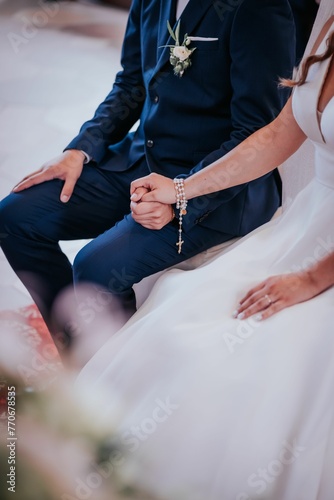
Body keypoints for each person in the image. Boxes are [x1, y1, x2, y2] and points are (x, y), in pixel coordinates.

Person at [75, 1, 334, 498]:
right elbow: (277, 135)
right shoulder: (327, 39)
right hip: (305, 226)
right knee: (178, 318)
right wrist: (181, 189)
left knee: (253, 361)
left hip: (325, 263)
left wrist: (310, 279)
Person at [0, 0, 295, 348]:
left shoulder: (258, 7)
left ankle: (115, 380)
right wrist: (79, 149)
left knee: (96, 266)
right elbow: (130, 85)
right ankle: (76, 354)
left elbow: (256, 133)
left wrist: (183, 198)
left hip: (216, 188)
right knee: (15, 217)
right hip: (140, 162)